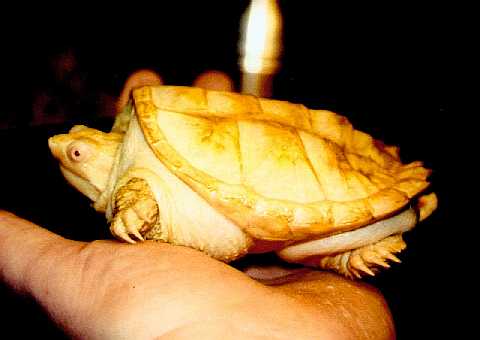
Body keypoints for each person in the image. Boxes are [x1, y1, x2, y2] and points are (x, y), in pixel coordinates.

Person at [0, 70, 395, 340]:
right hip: (291, 208)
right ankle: (341, 257)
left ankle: (351, 249)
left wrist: (132, 202)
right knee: (300, 247)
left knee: (307, 239)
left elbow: (142, 204)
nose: (63, 153)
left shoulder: (136, 187)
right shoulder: (135, 164)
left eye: (76, 153)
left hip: (321, 179)